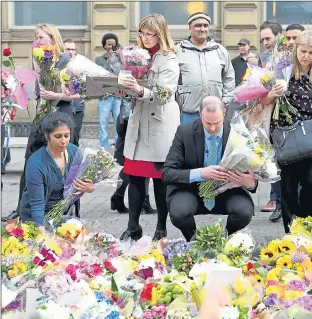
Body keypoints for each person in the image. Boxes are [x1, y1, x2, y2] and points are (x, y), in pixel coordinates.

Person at [2, 24, 80, 222]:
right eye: (35, 37)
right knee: (30, 162)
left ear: (53, 40)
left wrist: (58, 94)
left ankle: (63, 209)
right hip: (41, 116)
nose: (37, 40)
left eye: (41, 37)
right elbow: (37, 92)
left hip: (61, 115)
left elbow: (81, 93)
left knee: (63, 164)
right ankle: (21, 209)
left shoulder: (66, 62)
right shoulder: (38, 59)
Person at [118, 13, 180, 241]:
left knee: (159, 179)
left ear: (160, 34)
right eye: (142, 33)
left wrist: (138, 89)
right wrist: (122, 86)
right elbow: (130, 87)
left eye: (150, 34)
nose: (145, 38)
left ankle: (161, 226)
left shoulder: (169, 59)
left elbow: (164, 94)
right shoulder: (135, 55)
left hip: (160, 122)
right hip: (139, 120)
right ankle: (132, 226)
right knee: (134, 175)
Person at [260, 29, 312, 233]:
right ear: (295, 48)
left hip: (310, 135)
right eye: (302, 51)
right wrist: (273, 92)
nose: (305, 56)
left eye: (310, 52)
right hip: (286, 135)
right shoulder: (282, 69)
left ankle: (304, 223)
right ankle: (291, 232)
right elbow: (263, 100)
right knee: (288, 186)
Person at [163, 96, 256, 241]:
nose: (212, 128)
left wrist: (250, 182)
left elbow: (254, 171)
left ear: (224, 113)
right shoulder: (184, 132)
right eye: (207, 123)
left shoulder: (238, 133)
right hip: (192, 190)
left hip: (228, 191)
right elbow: (167, 173)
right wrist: (200, 173)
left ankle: (223, 239)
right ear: (200, 115)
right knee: (179, 213)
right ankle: (195, 241)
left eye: (217, 123)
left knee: (244, 212)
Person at [19, 112, 94, 231]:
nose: (64, 141)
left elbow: (82, 182)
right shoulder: (36, 163)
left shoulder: (74, 152)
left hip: (63, 214)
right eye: (58, 136)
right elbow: (37, 205)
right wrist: (41, 236)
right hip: (37, 218)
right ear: (47, 135)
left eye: (67, 135)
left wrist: (89, 187)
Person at [176, 12, 235, 124]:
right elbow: (172, 79)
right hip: (188, 113)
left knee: (213, 141)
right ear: (190, 28)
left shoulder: (220, 50)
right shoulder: (178, 51)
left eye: (205, 25)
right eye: (198, 25)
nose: (202, 29)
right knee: (188, 141)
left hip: (215, 113)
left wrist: (225, 102)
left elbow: (229, 78)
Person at [258, 20, 283, 222]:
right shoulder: (264, 58)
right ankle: (277, 201)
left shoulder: (289, 56)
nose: (265, 42)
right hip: (271, 114)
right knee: (273, 159)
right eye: (263, 39)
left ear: (278, 36)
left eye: (268, 38)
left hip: (288, 115)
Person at [94, 33, 122, 150]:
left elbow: (120, 73)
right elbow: (100, 74)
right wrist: (109, 60)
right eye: (109, 44)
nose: (111, 47)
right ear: (104, 46)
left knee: (118, 123)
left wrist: (115, 59)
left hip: (118, 94)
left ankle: (118, 147)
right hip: (105, 96)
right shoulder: (99, 59)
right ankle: (103, 148)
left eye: (113, 44)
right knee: (103, 123)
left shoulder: (121, 58)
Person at [64, 39, 85, 144]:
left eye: (73, 49)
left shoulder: (80, 65)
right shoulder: (57, 66)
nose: (71, 52)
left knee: (75, 137)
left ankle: (74, 159)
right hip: (63, 107)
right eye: (68, 49)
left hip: (77, 108)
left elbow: (86, 86)